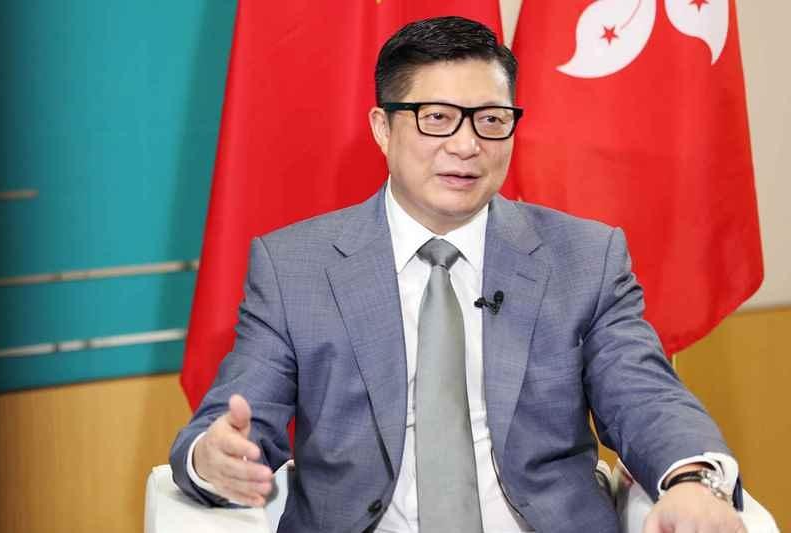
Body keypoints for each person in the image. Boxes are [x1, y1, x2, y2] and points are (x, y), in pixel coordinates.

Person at [170, 16, 745, 533]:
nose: (467, 145)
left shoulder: (585, 258)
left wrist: (693, 479)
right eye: (437, 119)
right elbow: (239, 417)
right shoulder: (295, 267)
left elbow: (643, 394)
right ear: (382, 127)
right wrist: (213, 458)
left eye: (491, 120)